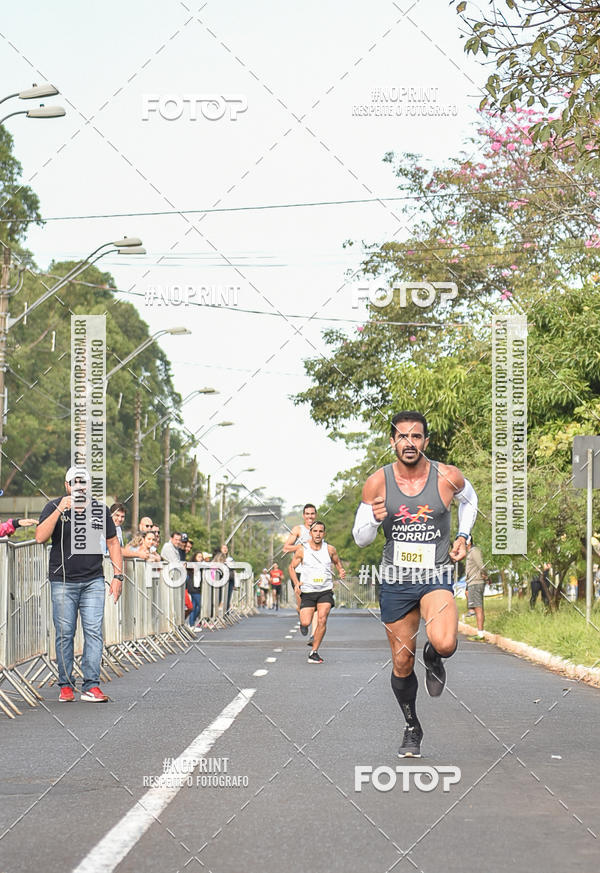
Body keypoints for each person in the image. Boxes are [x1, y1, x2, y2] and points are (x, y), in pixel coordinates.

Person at [352, 411, 478, 757]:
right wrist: (374, 522)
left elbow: (471, 501)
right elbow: (360, 539)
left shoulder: (446, 476)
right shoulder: (377, 483)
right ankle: (412, 726)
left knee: (446, 642)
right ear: (392, 441)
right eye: (402, 437)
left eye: (416, 436)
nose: (410, 443)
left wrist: (464, 536)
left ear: (426, 440)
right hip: (395, 580)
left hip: (435, 574)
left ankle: (434, 655)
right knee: (402, 664)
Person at [35, 467, 123, 703]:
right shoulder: (53, 506)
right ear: (67, 485)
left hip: (93, 580)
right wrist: (60, 509)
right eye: (75, 483)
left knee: (94, 632)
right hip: (63, 582)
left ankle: (91, 685)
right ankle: (65, 684)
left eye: (84, 483)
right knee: (65, 634)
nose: (80, 487)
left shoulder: (100, 509)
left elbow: (113, 543)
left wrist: (118, 576)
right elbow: (40, 537)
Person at [289, 520, 345, 664]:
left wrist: (340, 570)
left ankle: (314, 652)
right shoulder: (302, 549)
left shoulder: (330, 549)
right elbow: (291, 567)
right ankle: (303, 620)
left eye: (321, 531)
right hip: (308, 591)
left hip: (325, 590)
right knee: (306, 621)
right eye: (315, 531)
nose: (318, 534)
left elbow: (337, 562)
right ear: (310, 533)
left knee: (322, 618)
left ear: (324, 533)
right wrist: (296, 583)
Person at [465, 536, 488, 639]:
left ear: (468, 542)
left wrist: (486, 575)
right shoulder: (470, 552)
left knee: (479, 608)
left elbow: (481, 565)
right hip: (472, 582)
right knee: (477, 607)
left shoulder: (474, 551)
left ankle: (480, 634)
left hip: (476, 582)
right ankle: (480, 632)